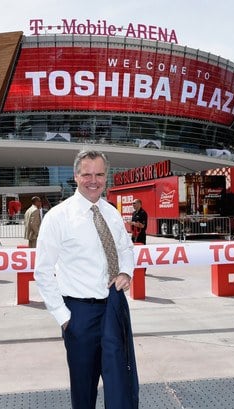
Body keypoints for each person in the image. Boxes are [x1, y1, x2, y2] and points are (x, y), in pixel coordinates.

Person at [34, 149, 138, 409]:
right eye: (87, 174)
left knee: (121, 384)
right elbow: (43, 271)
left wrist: (125, 272)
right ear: (76, 176)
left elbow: (126, 249)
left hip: (114, 308)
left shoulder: (111, 212)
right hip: (79, 314)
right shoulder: (58, 217)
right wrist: (64, 317)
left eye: (100, 174)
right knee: (83, 389)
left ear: (106, 176)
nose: (94, 180)